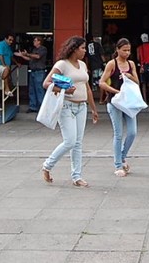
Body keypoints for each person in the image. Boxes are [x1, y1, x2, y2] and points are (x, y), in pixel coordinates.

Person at [41, 35, 99, 187]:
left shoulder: (83, 65)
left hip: (82, 107)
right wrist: (65, 90)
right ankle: (47, 165)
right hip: (66, 106)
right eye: (82, 48)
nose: (85, 51)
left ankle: (77, 176)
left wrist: (93, 108)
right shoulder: (62, 64)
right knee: (70, 141)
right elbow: (47, 83)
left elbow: (87, 88)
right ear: (73, 49)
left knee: (78, 143)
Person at [98, 38, 140, 177]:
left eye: (129, 50)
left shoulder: (131, 64)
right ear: (117, 50)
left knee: (133, 132)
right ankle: (118, 165)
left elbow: (137, 81)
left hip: (128, 102)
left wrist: (129, 75)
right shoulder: (112, 64)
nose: (127, 53)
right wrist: (116, 92)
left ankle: (122, 156)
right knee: (118, 134)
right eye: (124, 50)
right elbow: (102, 83)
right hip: (115, 102)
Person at [0, 33, 17, 112]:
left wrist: (17, 63)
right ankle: (6, 89)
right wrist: (4, 65)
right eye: (10, 40)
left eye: (12, 40)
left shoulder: (8, 47)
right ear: (5, 38)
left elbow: (11, 56)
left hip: (0, 68)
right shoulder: (0, 45)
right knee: (6, 70)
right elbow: (0, 55)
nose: (11, 42)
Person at [25, 36, 50, 113]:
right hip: (33, 71)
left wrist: (28, 54)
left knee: (39, 90)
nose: (34, 42)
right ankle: (33, 106)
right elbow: (30, 58)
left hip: (39, 71)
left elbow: (37, 56)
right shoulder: (34, 50)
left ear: (39, 41)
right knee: (32, 90)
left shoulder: (43, 49)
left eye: (35, 40)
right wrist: (23, 55)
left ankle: (42, 107)